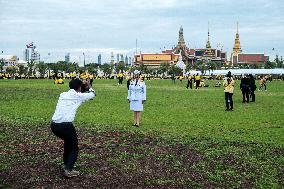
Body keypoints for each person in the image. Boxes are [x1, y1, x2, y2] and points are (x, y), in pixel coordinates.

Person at [51, 79, 96, 178]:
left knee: (68, 143)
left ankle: (66, 164)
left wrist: (81, 87)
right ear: (79, 87)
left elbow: (78, 93)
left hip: (54, 125)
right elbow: (93, 94)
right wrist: (88, 86)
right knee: (74, 148)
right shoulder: (78, 96)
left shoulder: (62, 94)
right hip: (65, 126)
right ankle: (68, 169)